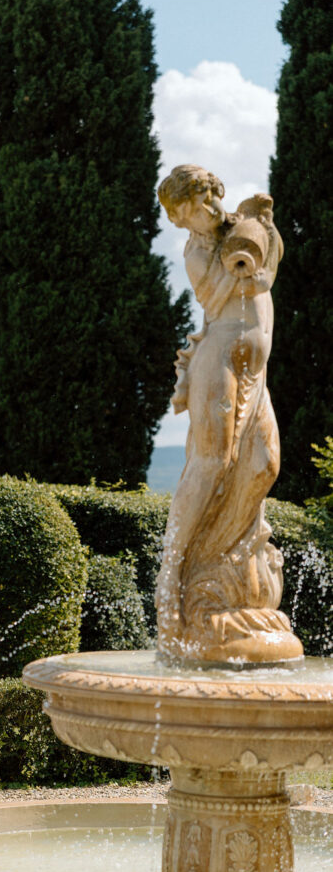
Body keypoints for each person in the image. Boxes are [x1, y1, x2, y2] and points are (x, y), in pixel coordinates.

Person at [155, 164, 303, 664]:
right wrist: (243, 253)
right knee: (212, 462)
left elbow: (265, 268)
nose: (210, 208)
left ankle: (225, 562)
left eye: (212, 196)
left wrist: (265, 227)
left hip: (255, 373)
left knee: (264, 464)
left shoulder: (237, 224)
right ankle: (172, 576)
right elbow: (227, 290)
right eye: (196, 205)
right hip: (220, 362)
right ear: (180, 217)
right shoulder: (197, 251)